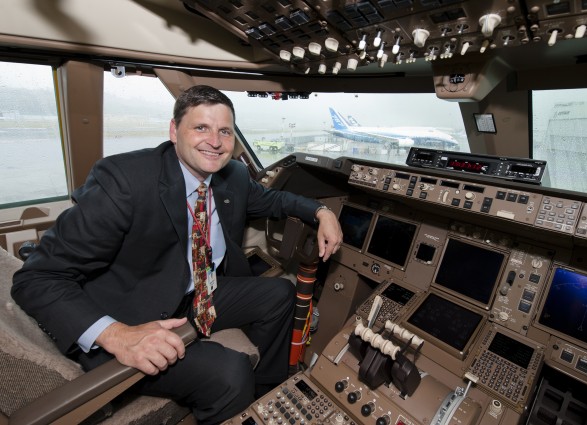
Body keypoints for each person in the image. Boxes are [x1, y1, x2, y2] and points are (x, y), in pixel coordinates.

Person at [12, 85, 343, 424]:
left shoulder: (234, 175)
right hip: (128, 315)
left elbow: (275, 201)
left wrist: (321, 212)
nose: (214, 141)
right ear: (174, 130)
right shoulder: (125, 181)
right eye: (201, 127)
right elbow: (36, 278)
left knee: (280, 294)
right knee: (230, 373)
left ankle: (267, 394)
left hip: (195, 292)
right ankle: (237, 392)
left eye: (224, 131)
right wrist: (118, 335)